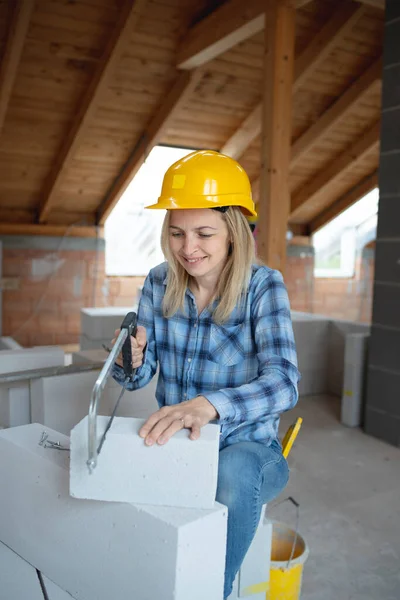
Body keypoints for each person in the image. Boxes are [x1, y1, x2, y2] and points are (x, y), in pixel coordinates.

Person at [112, 150, 300, 599]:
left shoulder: (263, 286)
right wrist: (130, 359)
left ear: (234, 231)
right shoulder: (159, 282)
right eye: (176, 232)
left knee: (232, 472)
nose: (187, 247)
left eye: (203, 233)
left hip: (249, 450)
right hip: (180, 448)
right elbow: (139, 379)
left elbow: (285, 381)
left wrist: (211, 405)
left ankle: (209, 590)